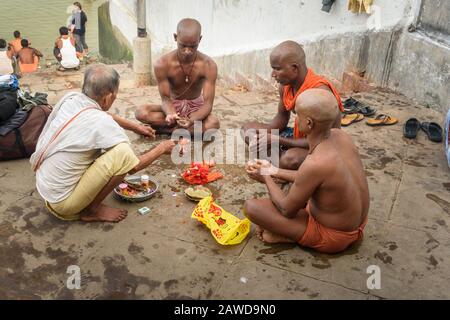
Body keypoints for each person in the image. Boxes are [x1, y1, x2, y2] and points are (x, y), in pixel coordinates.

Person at [30, 64, 171, 223]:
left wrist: (137, 127)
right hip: (63, 203)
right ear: (108, 97)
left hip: (46, 187)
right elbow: (134, 166)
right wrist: (162, 148)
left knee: (110, 148)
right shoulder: (100, 121)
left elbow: (102, 112)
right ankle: (92, 210)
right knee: (123, 155)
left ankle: (87, 202)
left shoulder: (72, 100)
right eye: (115, 97)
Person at [244, 89, 369, 254]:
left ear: (309, 123)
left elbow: (286, 210)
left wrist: (266, 177)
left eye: (297, 115)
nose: (295, 119)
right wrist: (274, 170)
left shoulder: (316, 162)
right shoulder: (341, 136)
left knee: (251, 207)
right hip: (357, 223)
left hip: (334, 236)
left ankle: (293, 237)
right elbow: (315, 177)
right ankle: (293, 231)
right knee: (297, 188)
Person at [241, 41, 344, 170]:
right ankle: (276, 157)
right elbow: (281, 117)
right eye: (273, 68)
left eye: (277, 69)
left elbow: (322, 139)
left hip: (322, 145)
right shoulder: (285, 86)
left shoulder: (319, 93)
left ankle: (280, 161)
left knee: (290, 159)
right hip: (298, 136)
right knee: (248, 130)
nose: (273, 74)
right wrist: (265, 135)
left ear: (294, 68)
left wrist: (277, 140)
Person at [135, 18, 220, 135]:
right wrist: (171, 114)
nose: (187, 51)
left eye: (193, 46)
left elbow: (208, 104)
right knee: (142, 112)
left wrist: (192, 120)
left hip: (196, 109)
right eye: (183, 45)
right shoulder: (163, 64)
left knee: (213, 123)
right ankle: (184, 130)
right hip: (173, 107)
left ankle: (169, 130)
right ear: (175, 37)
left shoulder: (208, 65)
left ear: (200, 40)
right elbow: (165, 99)